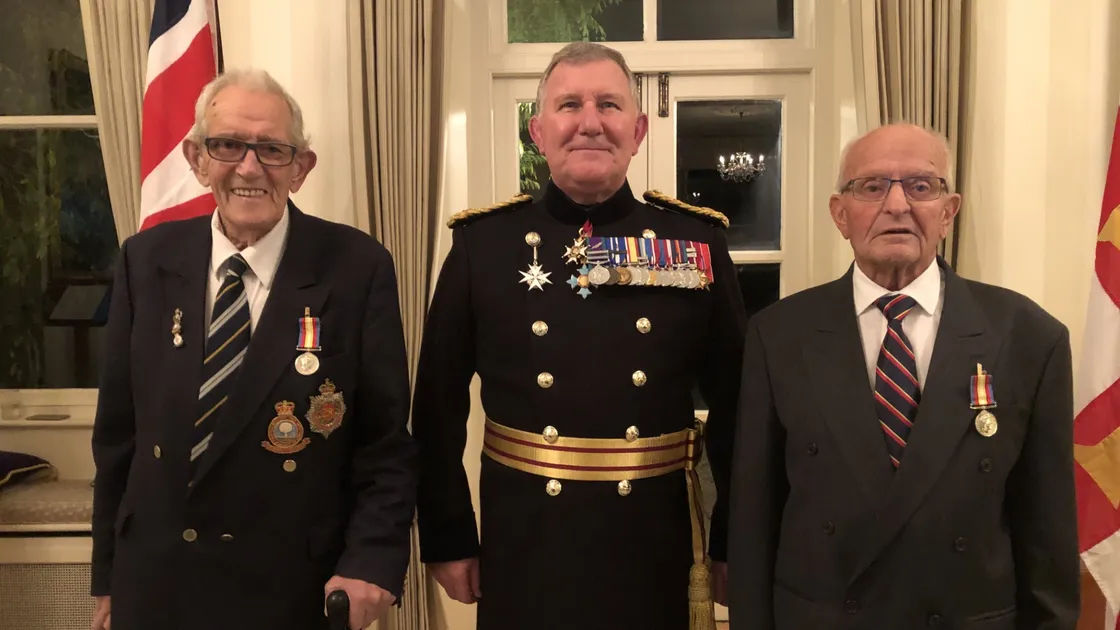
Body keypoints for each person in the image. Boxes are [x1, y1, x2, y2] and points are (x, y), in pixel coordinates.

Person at [410, 41, 748, 630]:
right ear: (537, 131)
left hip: (653, 539)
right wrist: (447, 535)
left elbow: (738, 406)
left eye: (609, 105)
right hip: (526, 539)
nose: (590, 122)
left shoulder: (695, 243)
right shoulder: (481, 246)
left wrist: (731, 541)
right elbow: (436, 407)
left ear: (638, 130)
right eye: (570, 105)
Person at [89, 68, 417, 630]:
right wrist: (109, 579)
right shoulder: (144, 261)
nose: (248, 167)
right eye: (227, 145)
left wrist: (372, 562)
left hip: (291, 587)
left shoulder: (356, 266)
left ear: (300, 167)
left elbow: (384, 442)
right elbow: (118, 439)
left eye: (271, 149)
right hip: (158, 583)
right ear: (196, 158)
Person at [727, 122, 1081, 629]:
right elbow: (754, 521)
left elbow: (1048, 537)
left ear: (948, 212)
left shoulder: (1029, 337)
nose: (897, 205)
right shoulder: (778, 336)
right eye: (872, 187)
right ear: (840, 214)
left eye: (921, 186)